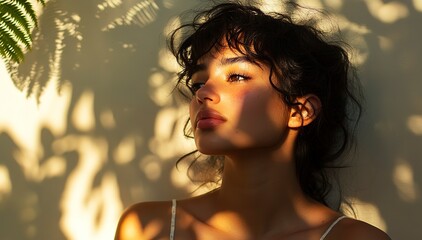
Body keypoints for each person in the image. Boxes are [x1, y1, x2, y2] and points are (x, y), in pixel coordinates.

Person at [115, 2, 391, 239]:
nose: (204, 93)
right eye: (198, 83)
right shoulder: (149, 228)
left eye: (236, 76)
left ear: (300, 111)